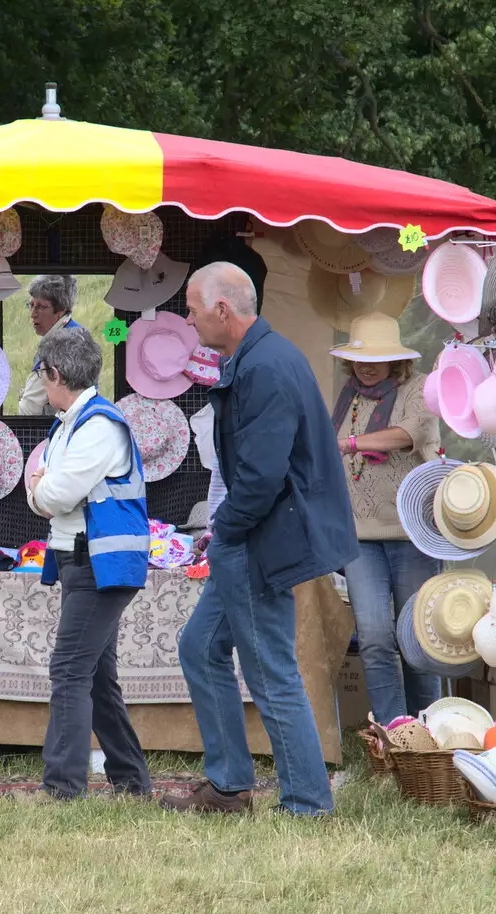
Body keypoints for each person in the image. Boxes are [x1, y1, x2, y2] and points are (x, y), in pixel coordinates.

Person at [162, 262, 358, 816]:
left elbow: (262, 476)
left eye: (194, 308)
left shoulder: (265, 367)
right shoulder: (262, 358)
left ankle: (306, 803)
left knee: (271, 672)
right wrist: (222, 529)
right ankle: (228, 788)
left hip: (256, 541)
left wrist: (224, 527)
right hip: (248, 535)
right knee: (199, 648)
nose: (189, 317)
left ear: (223, 310)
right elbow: (257, 471)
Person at [24, 323, 152, 799]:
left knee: (68, 671)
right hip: (86, 563)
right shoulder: (77, 424)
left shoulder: (97, 427)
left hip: (99, 566)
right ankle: (132, 782)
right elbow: (50, 492)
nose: (41, 381)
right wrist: (44, 489)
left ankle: (62, 787)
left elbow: (53, 492)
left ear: (55, 374)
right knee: (96, 678)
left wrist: (39, 487)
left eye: (41, 373)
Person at [329, 320, 442, 725]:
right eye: (360, 359)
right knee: (375, 637)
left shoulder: (421, 389)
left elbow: (409, 433)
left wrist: (350, 443)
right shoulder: (350, 396)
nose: (367, 367)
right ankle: (393, 733)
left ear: (396, 360)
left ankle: (429, 731)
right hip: (360, 536)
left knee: (418, 639)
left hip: (412, 533)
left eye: (376, 359)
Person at [16, 275, 83, 416]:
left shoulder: (55, 345)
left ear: (61, 310)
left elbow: (29, 410)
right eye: (31, 305)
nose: (33, 314)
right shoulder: (80, 333)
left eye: (41, 307)